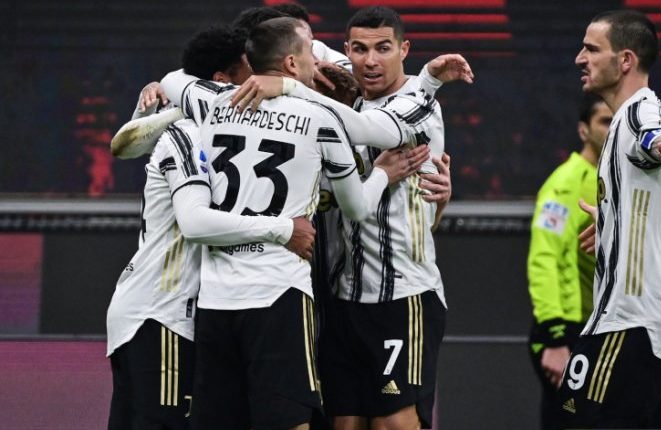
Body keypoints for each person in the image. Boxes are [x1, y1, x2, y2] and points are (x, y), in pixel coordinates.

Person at [160, 17, 429, 430]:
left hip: (217, 297)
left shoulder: (215, 103)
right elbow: (356, 208)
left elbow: (174, 80)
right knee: (288, 419)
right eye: (309, 50)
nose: (316, 60)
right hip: (279, 292)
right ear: (290, 63)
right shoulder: (321, 119)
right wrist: (381, 174)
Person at [105, 25, 315, 430]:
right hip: (161, 312)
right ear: (221, 81)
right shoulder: (187, 134)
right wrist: (283, 229)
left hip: (170, 315)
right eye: (251, 71)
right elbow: (195, 221)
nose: (261, 82)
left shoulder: (225, 132)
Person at [557, 10, 661, 428]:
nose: (579, 58)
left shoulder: (639, 111)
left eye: (591, 49)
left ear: (625, 61)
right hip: (655, 323)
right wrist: (613, 222)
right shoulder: (635, 117)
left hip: (633, 321)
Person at [526, 93, 612, 430]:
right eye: (604, 121)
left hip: (600, 330)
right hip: (567, 332)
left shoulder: (613, 181)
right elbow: (544, 258)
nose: (612, 128)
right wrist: (555, 337)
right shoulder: (565, 185)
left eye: (616, 121)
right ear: (583, 130)